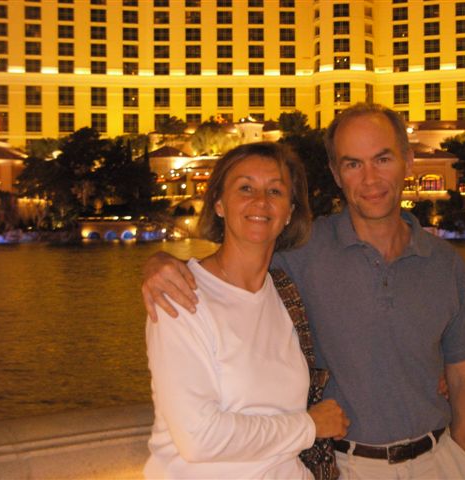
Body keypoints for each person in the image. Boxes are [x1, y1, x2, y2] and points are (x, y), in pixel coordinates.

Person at [143, 104, 465, 479]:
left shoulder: (447, 265)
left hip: (437, 463)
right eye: (353, 164)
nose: (370, 178)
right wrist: (159, 264)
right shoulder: (301, 254)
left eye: (382, 159)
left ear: (408, 159)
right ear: (337, 174)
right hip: (347, 465)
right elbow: (232, 266)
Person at [144, 142, 349, 479]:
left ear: (289, 213)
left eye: (275, 191)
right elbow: (199, 438)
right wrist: (308, 426)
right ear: (220, 204)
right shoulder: (180, 294)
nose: (261, 201)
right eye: (245, 188)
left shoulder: (285, 294)